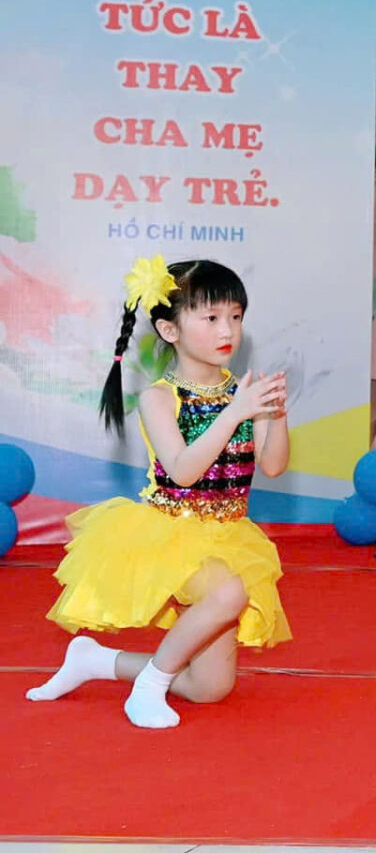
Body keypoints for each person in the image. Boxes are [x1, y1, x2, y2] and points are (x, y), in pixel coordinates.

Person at [27, 256, 291, 728]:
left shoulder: (240, 391)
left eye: (235, 316)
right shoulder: (159, 397)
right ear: (170, 330)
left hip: (228, 535)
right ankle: (148, 688)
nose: (227, 329)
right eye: (211, 317)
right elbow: (184, 471)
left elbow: (272, 465)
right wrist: (235, 413)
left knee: (210, 688)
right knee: (229, 593)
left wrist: (276, 414)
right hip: (172, 535)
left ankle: (95, 661)